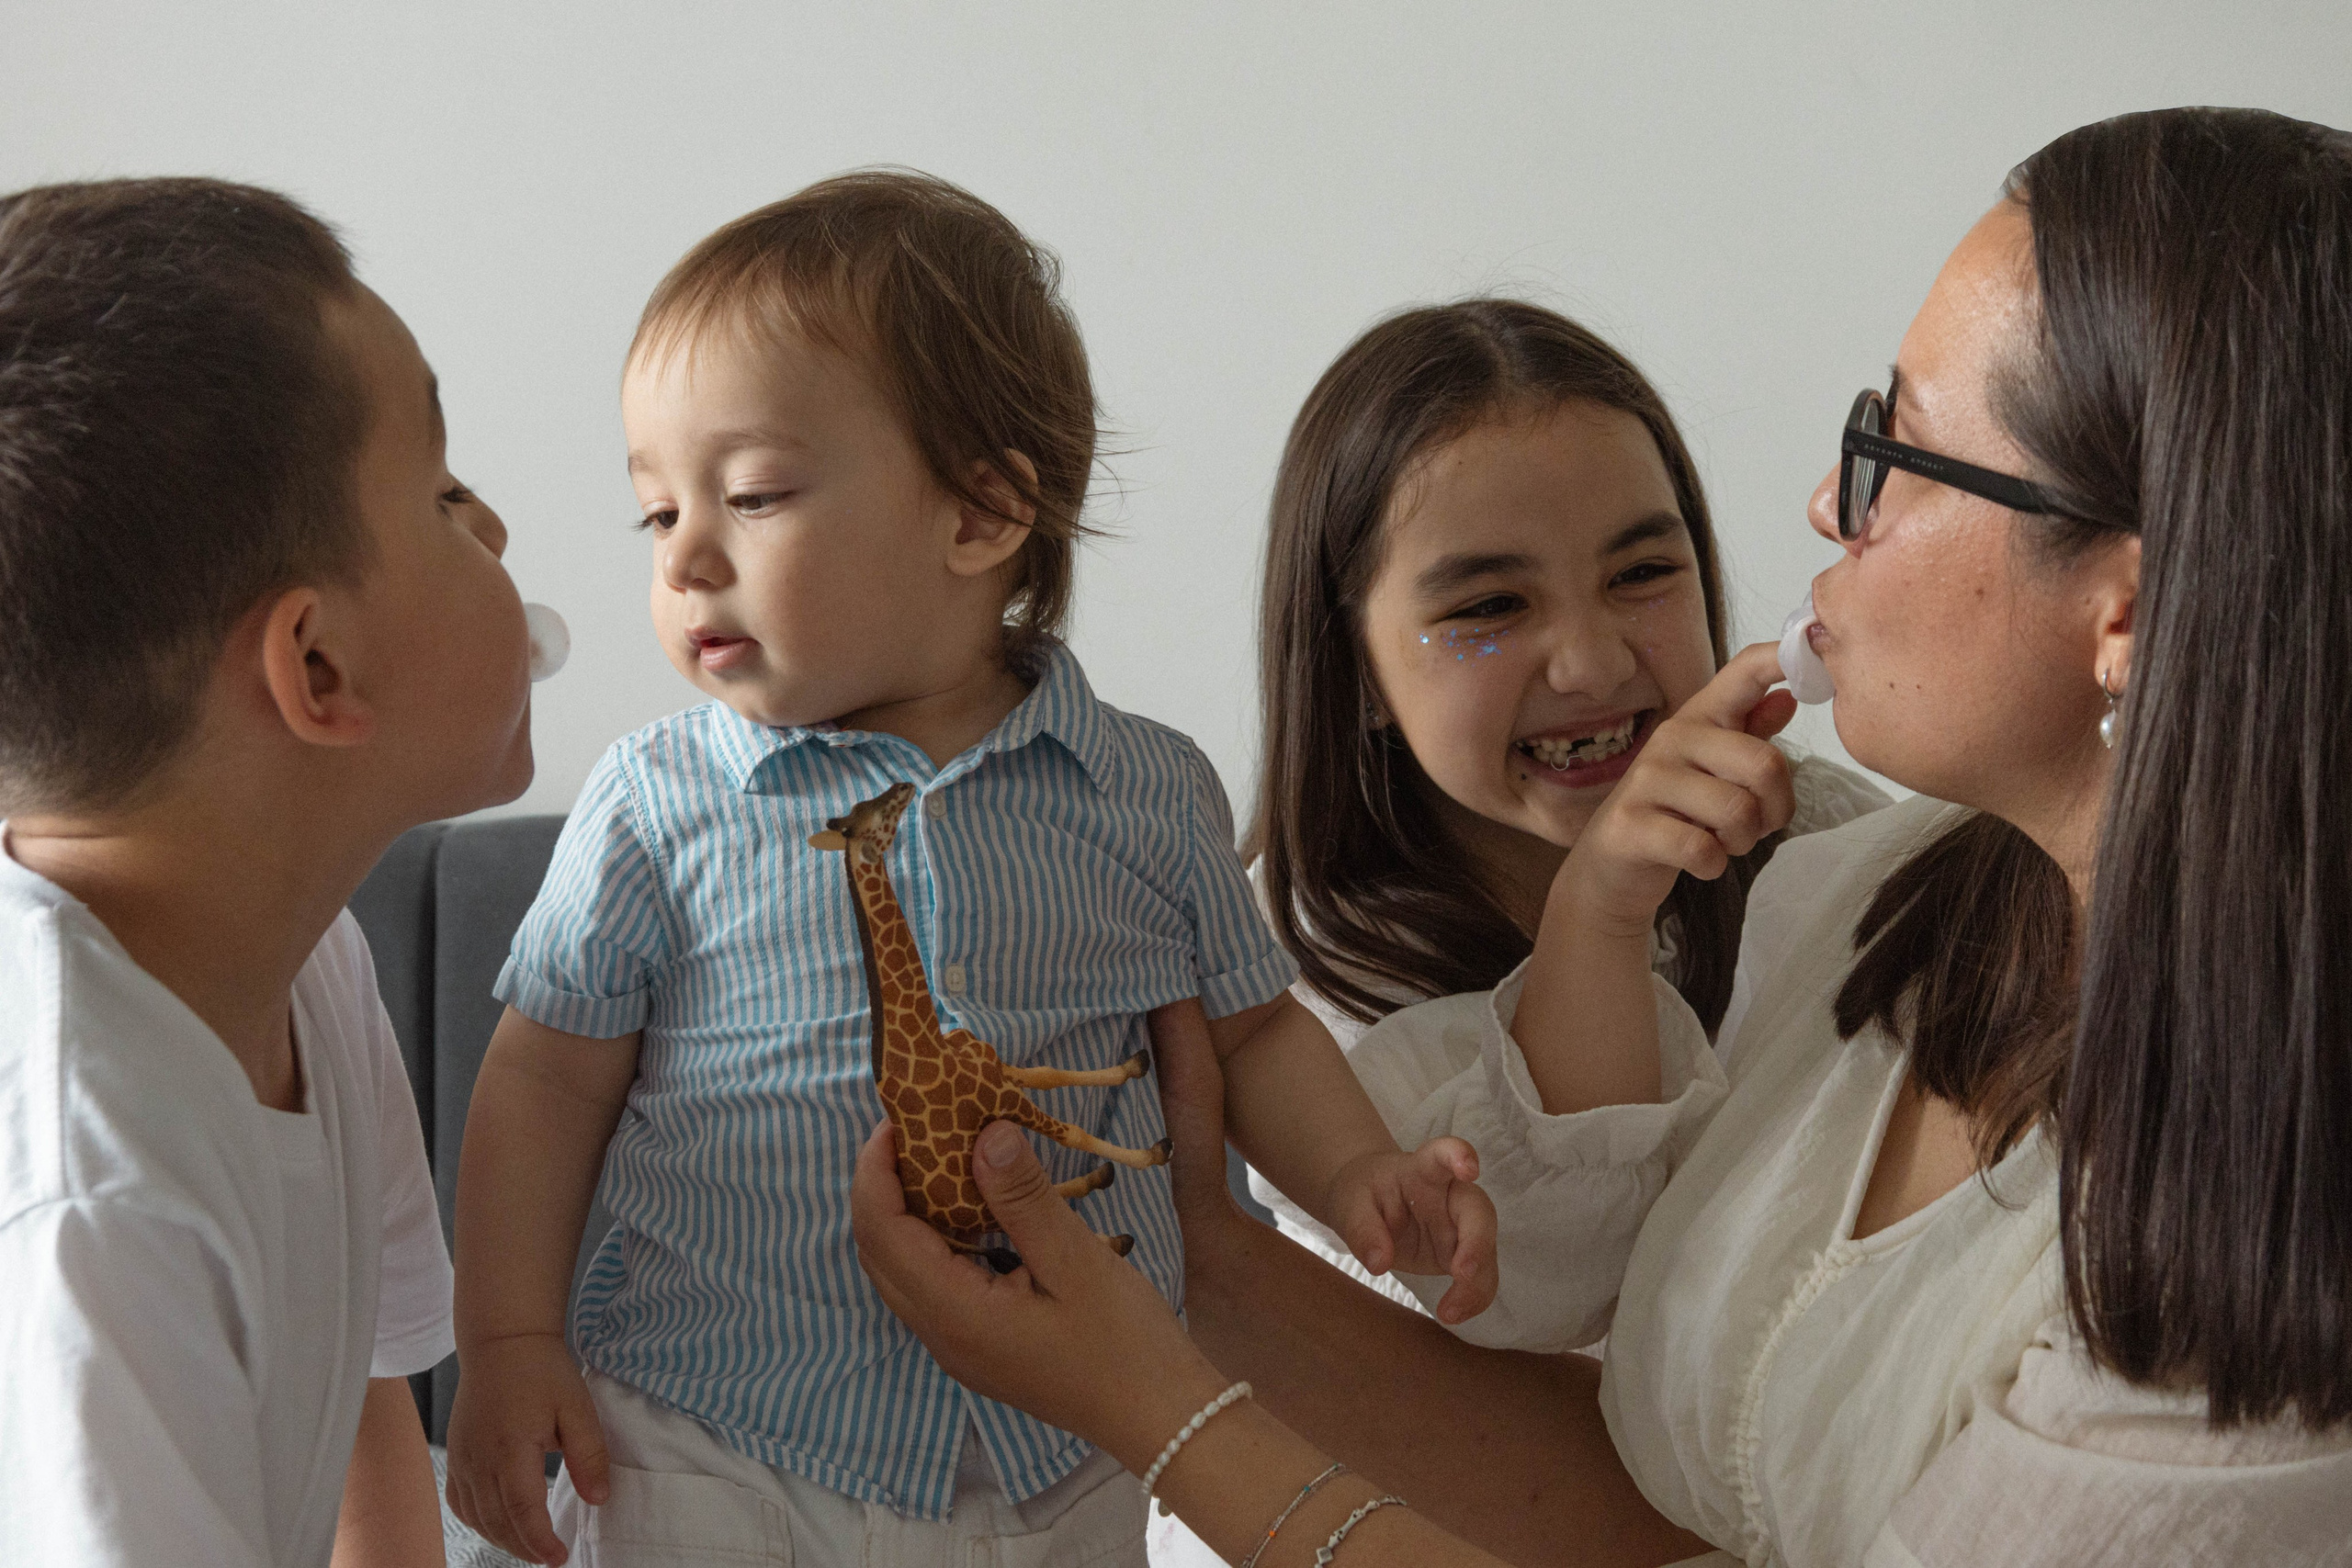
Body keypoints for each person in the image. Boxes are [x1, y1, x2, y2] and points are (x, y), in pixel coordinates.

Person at [854, 107, 2352, 1567]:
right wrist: (1198, 1251)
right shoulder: (1870, 900)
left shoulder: (2256, 1243)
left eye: (1897, 448)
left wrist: (1159, 1408)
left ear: (2133, 610)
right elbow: (1663, 1510)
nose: (1831, 499)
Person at [444, 170, 1496, 1568]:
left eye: (751, 495)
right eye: (656, 515)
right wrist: (507, 1340)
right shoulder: (656, 799)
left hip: (1063, 1455)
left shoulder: (1142, 787)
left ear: (983, 513)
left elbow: (1251, 1029)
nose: (687, 557)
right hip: (710, 1438)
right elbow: (543, 1075)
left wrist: (1362, 1170)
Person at [0, 178, 537, 1565]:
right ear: (316, 668)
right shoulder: (94, 1207)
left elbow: (369, 1418)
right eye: (441, 490)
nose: (496, 533)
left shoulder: (302, 954)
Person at [1236, 299, 1884, 1316]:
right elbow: (1535, 1300)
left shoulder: (1819, 833)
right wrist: (1601, 911)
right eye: (1488, 609)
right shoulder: (1278, 981)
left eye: (1641, 574)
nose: (1590, 663)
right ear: (1351, 668)